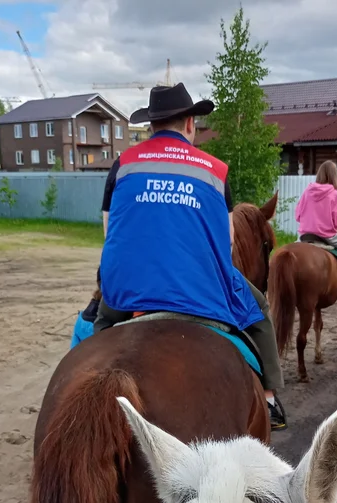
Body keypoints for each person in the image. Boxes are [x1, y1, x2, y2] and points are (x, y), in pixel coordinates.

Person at [96, 83, 286, 430]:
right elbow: (227, 242)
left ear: (152, 125)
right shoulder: (214, 171)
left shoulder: (122, 165)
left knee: (100, 326)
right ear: (189, 123)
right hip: (199, 288)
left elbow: (110, 231)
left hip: (131, 283)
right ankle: (271, 400)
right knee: (259, 310)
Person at [295, 161, 337, 293]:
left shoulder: (307, 191)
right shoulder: (335, 194)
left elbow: (298, 216)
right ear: (334, 176)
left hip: (305, 234)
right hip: (326, 235)